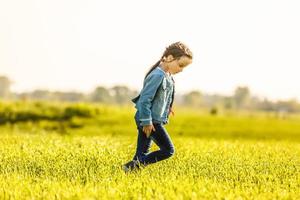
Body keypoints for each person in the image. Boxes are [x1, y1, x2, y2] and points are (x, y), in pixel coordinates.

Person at [122, 41, 193, 172]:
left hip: (152, 119)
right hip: (150, 120)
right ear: (170, 57)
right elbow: (144, 100)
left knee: (142, 153)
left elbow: (161, 96)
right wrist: (147, 122)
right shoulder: (157, 75)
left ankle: (130, 172)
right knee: (168, 150)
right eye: (180, 65)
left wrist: (167, 107)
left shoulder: (168, 76)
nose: (181, 70)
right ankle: (131, 166)